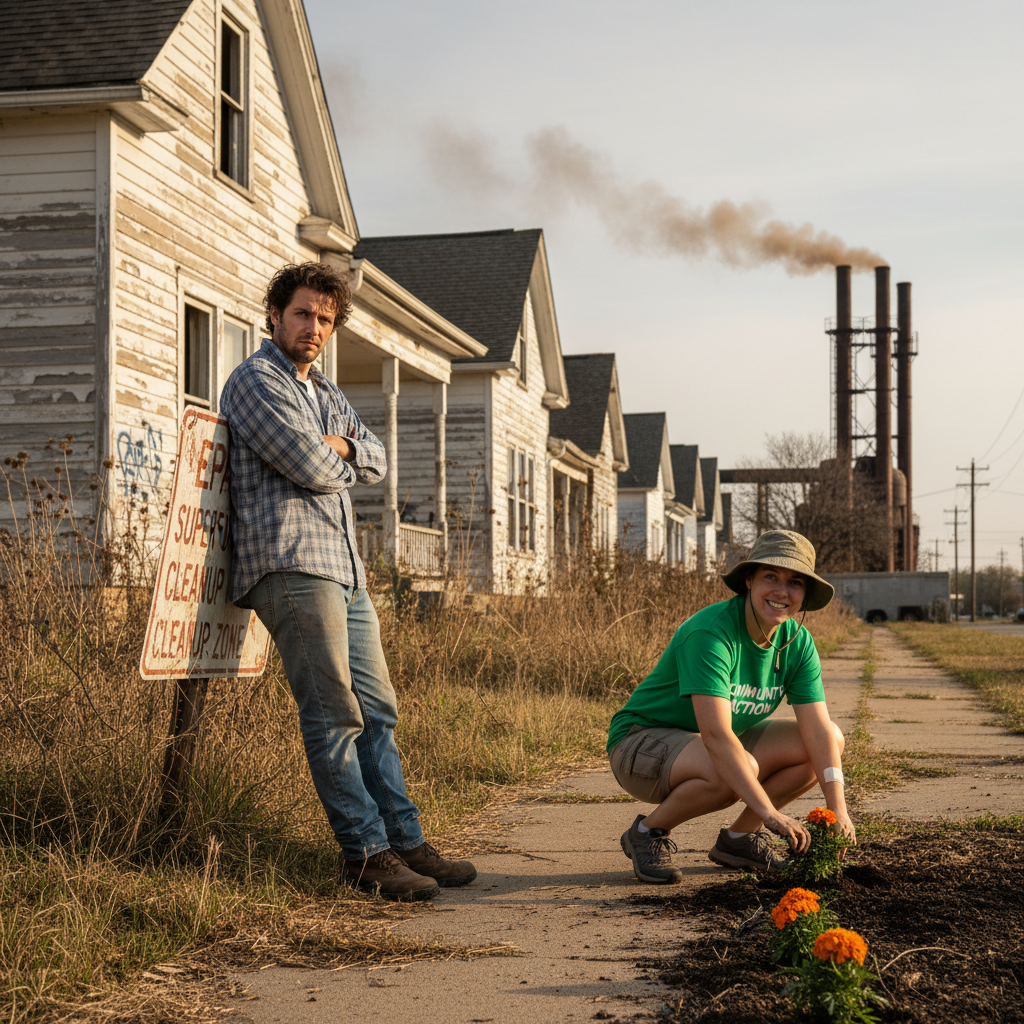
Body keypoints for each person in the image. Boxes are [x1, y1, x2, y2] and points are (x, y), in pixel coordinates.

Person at [220, 262, 475, 902]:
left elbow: (381, 460)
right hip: (291, 565)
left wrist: (341, 447)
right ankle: (364, 854)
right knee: (334, 713)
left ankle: (404, 840)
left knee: (378, 711)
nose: (314, 327)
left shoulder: (326, 391)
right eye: (303, 313)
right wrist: (338, 451)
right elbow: (309, 465)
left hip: (347, 571)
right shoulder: (255, 380)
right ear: (274, 315)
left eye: (326, 319)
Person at [607, 530, 854, 883]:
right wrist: (771, 814)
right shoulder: (711, 633)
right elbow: (718, 737)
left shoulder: (797, 643)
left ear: (805, 594)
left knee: (829, 739)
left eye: (795, 582)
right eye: (771, 576)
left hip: (703, 747)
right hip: (640, 744)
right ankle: (647, 833)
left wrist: (838, 809)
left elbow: (817, 731)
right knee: (736, 768)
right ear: (749, 580)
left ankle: (739, 840)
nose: (782, 591)